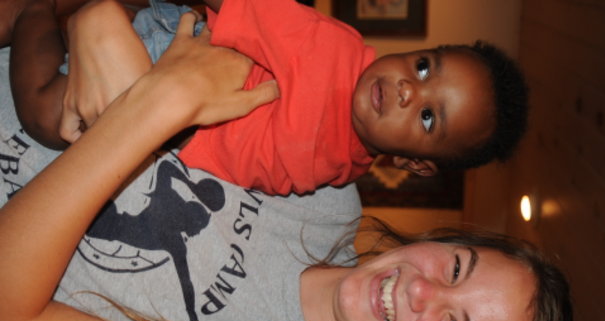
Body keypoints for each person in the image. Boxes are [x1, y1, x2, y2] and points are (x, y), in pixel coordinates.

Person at [0, 14, 570, 321]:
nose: (423, 291)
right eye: (456, 268)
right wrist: (91, 18)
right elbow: (177, 28)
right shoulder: (324, 193)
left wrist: (157, 106)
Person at [7, 0, 529, 195]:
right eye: (425, 66)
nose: (409, 89)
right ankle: (33, 11)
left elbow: (244, 162)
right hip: (169, 49)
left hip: (164, 121)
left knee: (64, 120)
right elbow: (253, 9)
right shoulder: (335, 51)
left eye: (429, 117)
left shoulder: (340, 169)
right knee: (48, 116)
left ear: (417, 164)